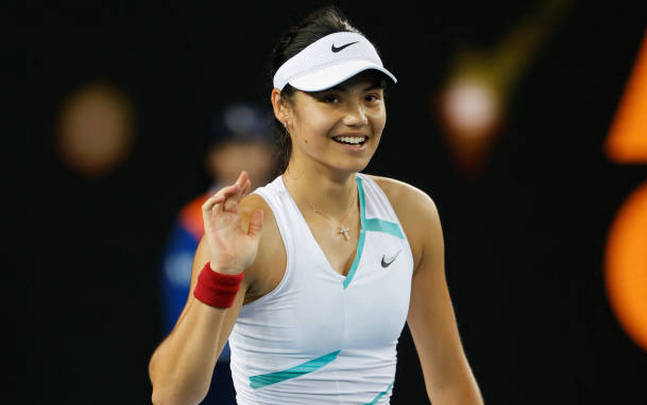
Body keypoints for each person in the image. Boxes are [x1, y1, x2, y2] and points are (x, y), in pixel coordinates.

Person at [149, 6, 484, 405]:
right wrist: (221, 273)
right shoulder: (251, 226)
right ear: (282, 106)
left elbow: (450, 385)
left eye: (371, 98)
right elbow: (171, 395)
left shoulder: (413, 215)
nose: (357, 117)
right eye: (331, 98)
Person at [159, 103, 275, 404]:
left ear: (270, 153)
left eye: (253, 147)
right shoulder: (194, 219)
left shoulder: (285, 212)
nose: (243, 158)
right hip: (216, 368)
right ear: (214, 157)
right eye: (232, 148)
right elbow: (181, 310)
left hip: (279, 366)